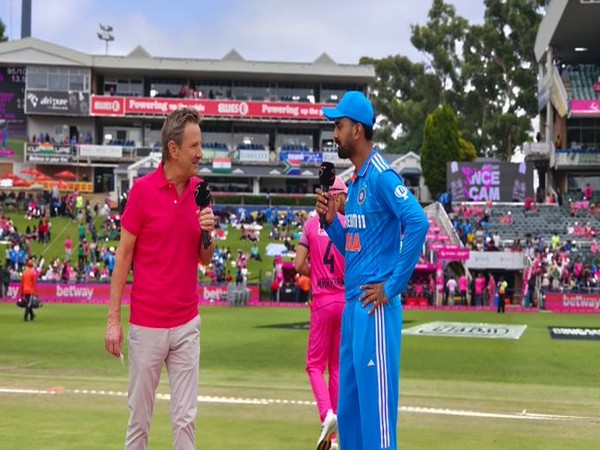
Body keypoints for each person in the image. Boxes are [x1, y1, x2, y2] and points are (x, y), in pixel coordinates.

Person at [316, 91, 429, 450]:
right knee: (350, 419)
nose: (335, 133)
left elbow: (418, 221)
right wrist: (333, 222)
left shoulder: (381, 175)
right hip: (353, 307)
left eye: (339, 126)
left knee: (377, 426)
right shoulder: (357, 181)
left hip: (374, 307)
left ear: (358, 131)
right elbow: (355, 246)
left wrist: (392, 286)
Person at [104, 107, 215, 450]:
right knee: (139, 420)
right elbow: (123, 256)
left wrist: (208, 233)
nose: (200, 153)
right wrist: (113, 321)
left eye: (201, 145)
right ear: (173, 149)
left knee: (185, 420)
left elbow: (204, 259)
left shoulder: (201, 191)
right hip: (147, 326)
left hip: (186, 324)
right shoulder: (141, 191)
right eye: (194, 146)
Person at [294, 176, 348, 450]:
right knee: (336, 367)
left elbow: (297, 263)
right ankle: (335, 436)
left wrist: (316, 274)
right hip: (345, 300)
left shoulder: (311, 225)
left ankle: (326, 415)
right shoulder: (347, 225)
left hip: (323, 300)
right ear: (337, 196)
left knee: (314, 365)